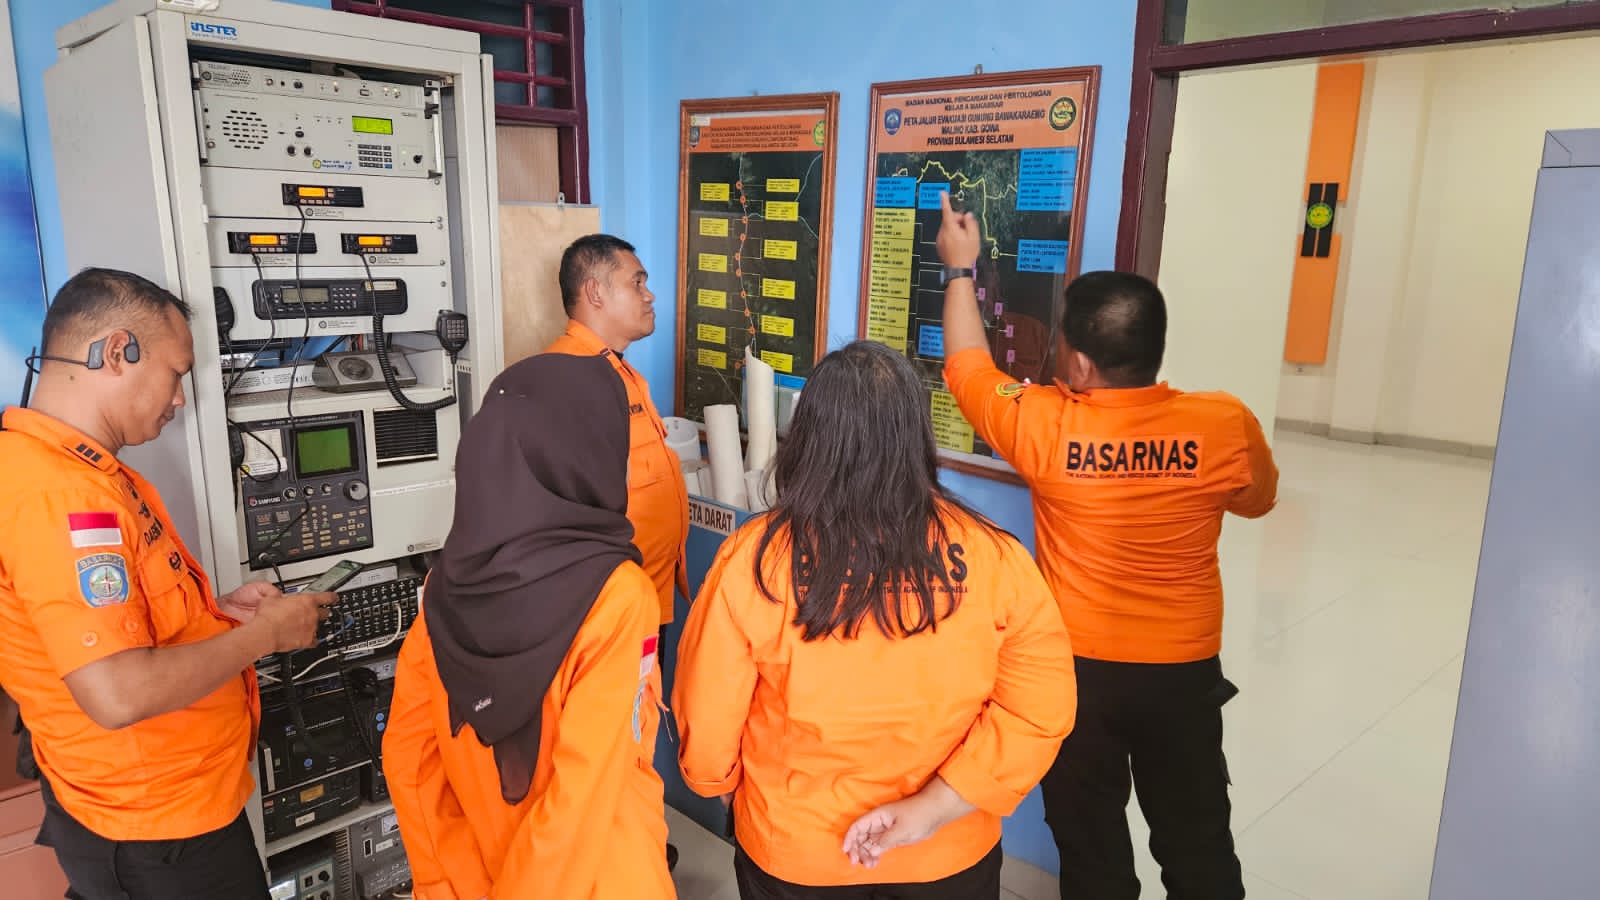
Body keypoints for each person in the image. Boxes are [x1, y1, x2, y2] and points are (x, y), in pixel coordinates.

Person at [935, 192, 1280, 900]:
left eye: (1063, 341)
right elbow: (1258, 500)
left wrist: (960, 269)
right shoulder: (1223, 423)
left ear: (1084, 367)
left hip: (1076, 673)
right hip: (1183, 675)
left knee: (1090, 847)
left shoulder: (1047, 426)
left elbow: (968, 368)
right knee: (1199, 845)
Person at [673, 340, 1076, 900]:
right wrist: (935, 807)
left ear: (808, 438)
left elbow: (708, 708)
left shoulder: (755, 560)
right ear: (917, 436)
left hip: (797, 850)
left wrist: (717, 784)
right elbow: (1040, 710)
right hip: (947, 849)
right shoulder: (996, 559)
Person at [0, 267, 335, 899]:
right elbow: (117, 693)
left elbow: (118, 621)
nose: (180, 399)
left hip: (156, 812)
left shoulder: (74, 471)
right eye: (177, 373)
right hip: (158, 832)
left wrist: (220, 612)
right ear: (118, 351)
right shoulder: (62, 495)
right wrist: (265, 636)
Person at [382, 352, 676, 900]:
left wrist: (450, 886)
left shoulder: (444, 587)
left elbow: (410, 759)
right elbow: (579, 801)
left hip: (481, 876)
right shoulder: (617, 597)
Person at [545, 234, 688, 633]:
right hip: (609, 610)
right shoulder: (567, 378)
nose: (650, 295)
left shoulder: (620, 374)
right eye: (636, 283)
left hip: (644, 596)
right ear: (595, 292)